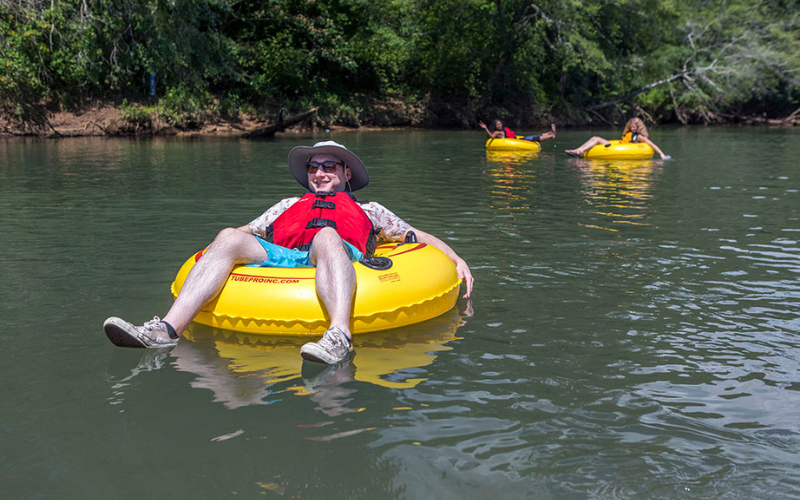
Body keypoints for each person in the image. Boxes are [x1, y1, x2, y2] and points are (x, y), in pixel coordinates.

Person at [103, 141, 474, 365]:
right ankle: (165, 331)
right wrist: (216, 249)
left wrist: (456, 259)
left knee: (326, 235)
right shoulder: (287, 204)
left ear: (346, 173)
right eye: (314, 167)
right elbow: (248, 232)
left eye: (329, 166)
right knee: (228, 234)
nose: (320, 172)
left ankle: (339, 337)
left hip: (336, 253)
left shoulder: (372, 210)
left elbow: (417, 236)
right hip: (285, 258)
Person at [564, 117, 670, 159]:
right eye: (631, 126)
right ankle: (578, 150)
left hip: (621, 148)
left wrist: (661, 154)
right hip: (618, 145)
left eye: (635, 127)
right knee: (595, 137)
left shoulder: (638, 136)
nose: (632, 128)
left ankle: (580, 151)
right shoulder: (628, 133)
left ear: (638, 127)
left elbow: (652, 144)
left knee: (596, 139)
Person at [479, 119, 556, 143]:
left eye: (500, 124)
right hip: (517, 140)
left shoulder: (501, 130)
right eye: (498, 125)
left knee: (534, 137)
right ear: (495, 126)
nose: (500, 125)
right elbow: (491, 136)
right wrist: (485, 128)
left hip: (517, 139)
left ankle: (550, 133)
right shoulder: (497, 132)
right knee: (534, 138)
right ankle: (550, 134)